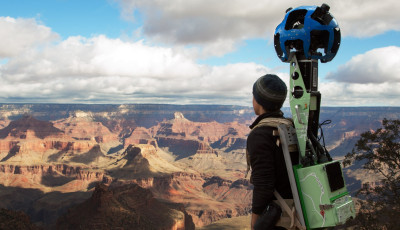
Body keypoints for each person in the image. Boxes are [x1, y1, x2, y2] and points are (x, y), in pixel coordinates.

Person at [247, 74, 293, 230]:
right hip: (297, 211)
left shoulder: (260, 134)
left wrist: (255, 221)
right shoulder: (289, 127)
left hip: (278, 220)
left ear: (258, 100)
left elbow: (263, 183)